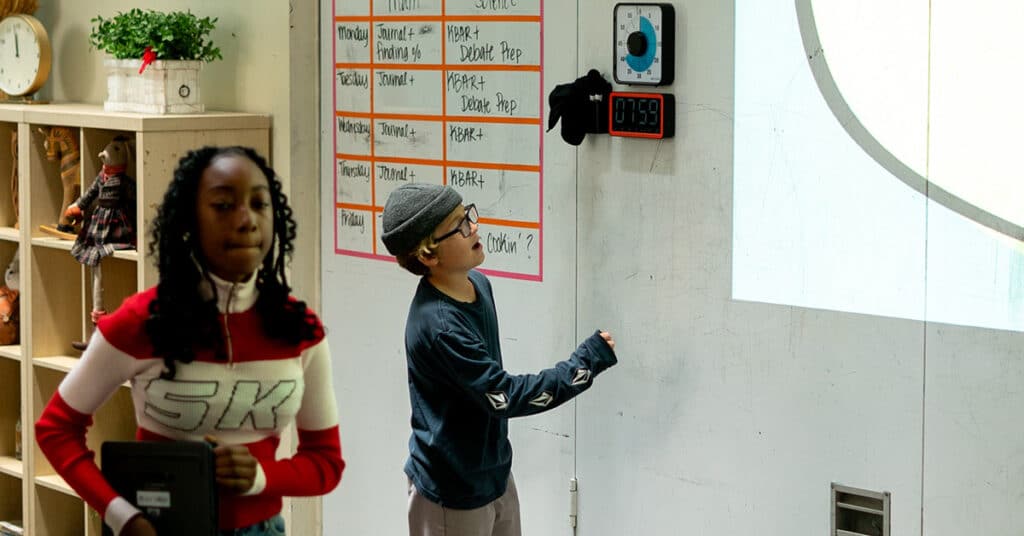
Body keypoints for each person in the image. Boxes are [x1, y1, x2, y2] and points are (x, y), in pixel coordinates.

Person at [35, 146, 344, 536]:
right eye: (223, 205)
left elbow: (326, 463)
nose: (247, 220)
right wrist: (121, 516)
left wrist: (261, 477)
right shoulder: (141, 321)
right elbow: (55, 430)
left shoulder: (300, 329)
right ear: (188, 222)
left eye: (259, 204)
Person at [381, 183, 618, 536]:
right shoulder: (441, 328)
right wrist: (584, 364)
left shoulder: (478, 284)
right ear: (429, 256)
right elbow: (505, 395)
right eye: (460, 226)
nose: (474, 227)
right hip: (452, 495)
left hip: (493, 476)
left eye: (468, 216)